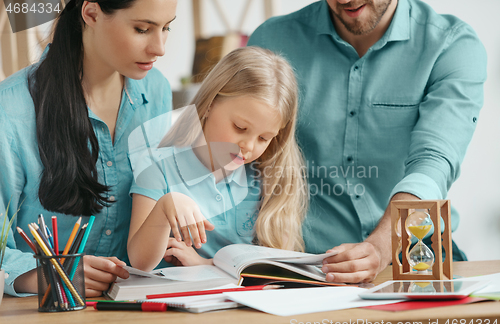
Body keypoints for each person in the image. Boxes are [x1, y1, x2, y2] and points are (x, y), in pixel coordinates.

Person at [247, 0, 487, 283]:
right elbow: (244, 160)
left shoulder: (450, 45)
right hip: (308, 270)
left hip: (415, 263)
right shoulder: (272, 41)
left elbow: (433, 162)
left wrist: (381, 246)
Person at [0, 0, 177, 297]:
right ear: (91, 13)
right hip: (45, 313)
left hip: (139, 304)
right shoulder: (11, 109)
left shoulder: (156, 90)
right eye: (142, 29)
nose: (159, 48)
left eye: (167, 27)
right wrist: (46, 274)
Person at [127, 46, 308, 272]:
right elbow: (140, 262)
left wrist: (206, 265)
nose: (249, 146)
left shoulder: (268, 176)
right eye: (240, 127)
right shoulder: (158, 167)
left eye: (264, 138)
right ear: (210, 104)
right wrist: (165, 206)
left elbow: (279, 264)